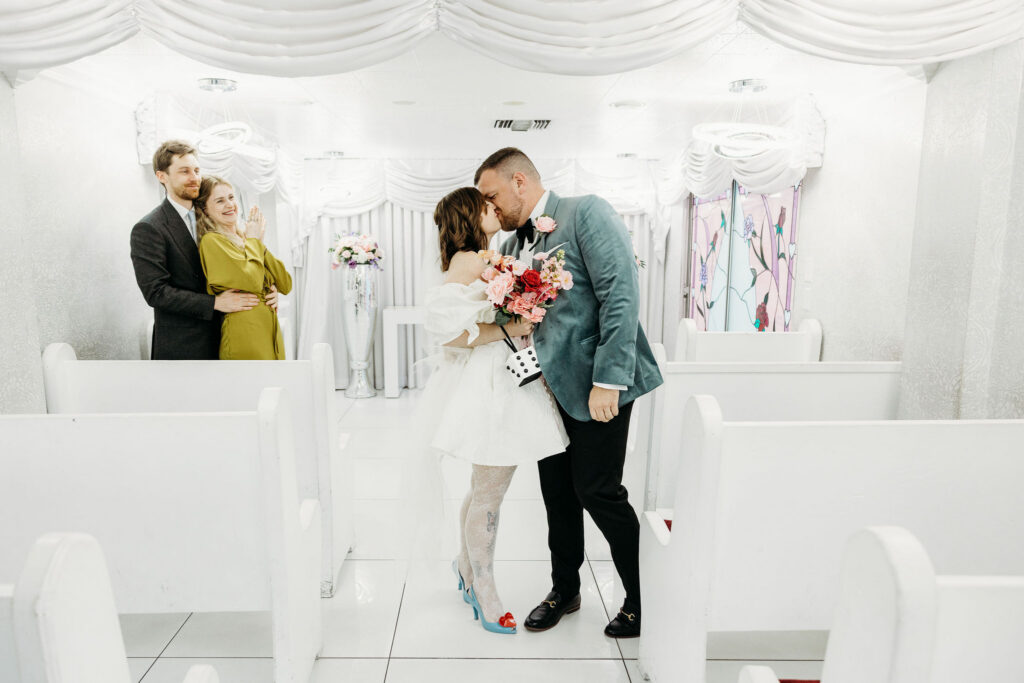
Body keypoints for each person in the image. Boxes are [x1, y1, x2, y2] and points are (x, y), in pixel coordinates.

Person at [475, 147, 663, 638]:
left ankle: (645, 598)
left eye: (493, 197)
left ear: (520, 181)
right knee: (556, 495)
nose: (492, 210)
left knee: (598, 491)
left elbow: (620, 292)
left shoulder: (585, 212)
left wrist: (609, 380)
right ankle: (565, 589)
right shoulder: (514, 247)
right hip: (545, 390)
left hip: (599, 383)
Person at [420, 187, 569, 634]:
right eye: (485, 205)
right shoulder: (472, 260)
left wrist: (518, 314)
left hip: (503, 379)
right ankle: (484, 588)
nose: (494, 209)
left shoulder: (486, 255)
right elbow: (446, 330)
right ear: (469, 214)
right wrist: (511, 322)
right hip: (491, 387)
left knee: (481, 487)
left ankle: (466, 569)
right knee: (489, 494)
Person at [131, 140, 262, 359]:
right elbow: (156, 292)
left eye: (197, 170)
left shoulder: (214, 215)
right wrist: (215, 303)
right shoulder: (148, 228)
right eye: (184, 171)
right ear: (161, 176)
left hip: (228, 336)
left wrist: (269, 292)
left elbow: (240, 269)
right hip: (183, 346)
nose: (195, 178)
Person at [195, 176, 291, 360]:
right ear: (205, 210)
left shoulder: (246, 240)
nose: (229, 204)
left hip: (267, 329)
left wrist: (257, 242)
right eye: (220, 201)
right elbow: (253, 282)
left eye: (231, 197)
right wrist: (254, 240)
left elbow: (286, 284)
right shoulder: (212, 241)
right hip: (245, 332)